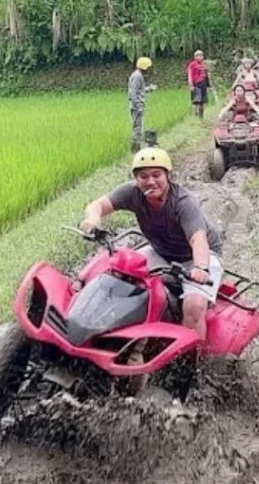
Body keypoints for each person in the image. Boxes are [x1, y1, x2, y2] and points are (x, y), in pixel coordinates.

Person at [79, 146, 224, 345]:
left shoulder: (182, 202)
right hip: (161, 250)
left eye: (157, 174)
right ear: (136, 178)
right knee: (119, 273)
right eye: (143, 176)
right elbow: (97, 205)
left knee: (193, 306)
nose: (150, 181)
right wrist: (93, 220)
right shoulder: (131, 193)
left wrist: (200, 267)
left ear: (168, 175)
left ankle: (191, 363)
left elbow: (197, 239)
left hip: (197, 256)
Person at [128, 56, 157, 154]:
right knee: (137, 129)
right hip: (137, 107)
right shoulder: (137, 76)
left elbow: (141, 90)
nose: (149, 70)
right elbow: (133, 93)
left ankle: (136, 149)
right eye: (148, 67)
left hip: (138, 105)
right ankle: (135, 151)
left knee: (139, 128)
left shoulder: (139, 75)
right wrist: (138, 106)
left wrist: (150, 88)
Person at [186, 50, 209, 118]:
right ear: (195, 57)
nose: (200, 57)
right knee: (197, 102)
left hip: (203, 85)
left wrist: (208, 86)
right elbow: (189, 75)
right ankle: (196, 116)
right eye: (198, 55)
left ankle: (201, 117)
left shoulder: (204, 65)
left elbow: (206, 75)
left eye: (201, 55)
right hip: (196, 85)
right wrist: (191, 85)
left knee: (202, 102)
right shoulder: (192, 64)